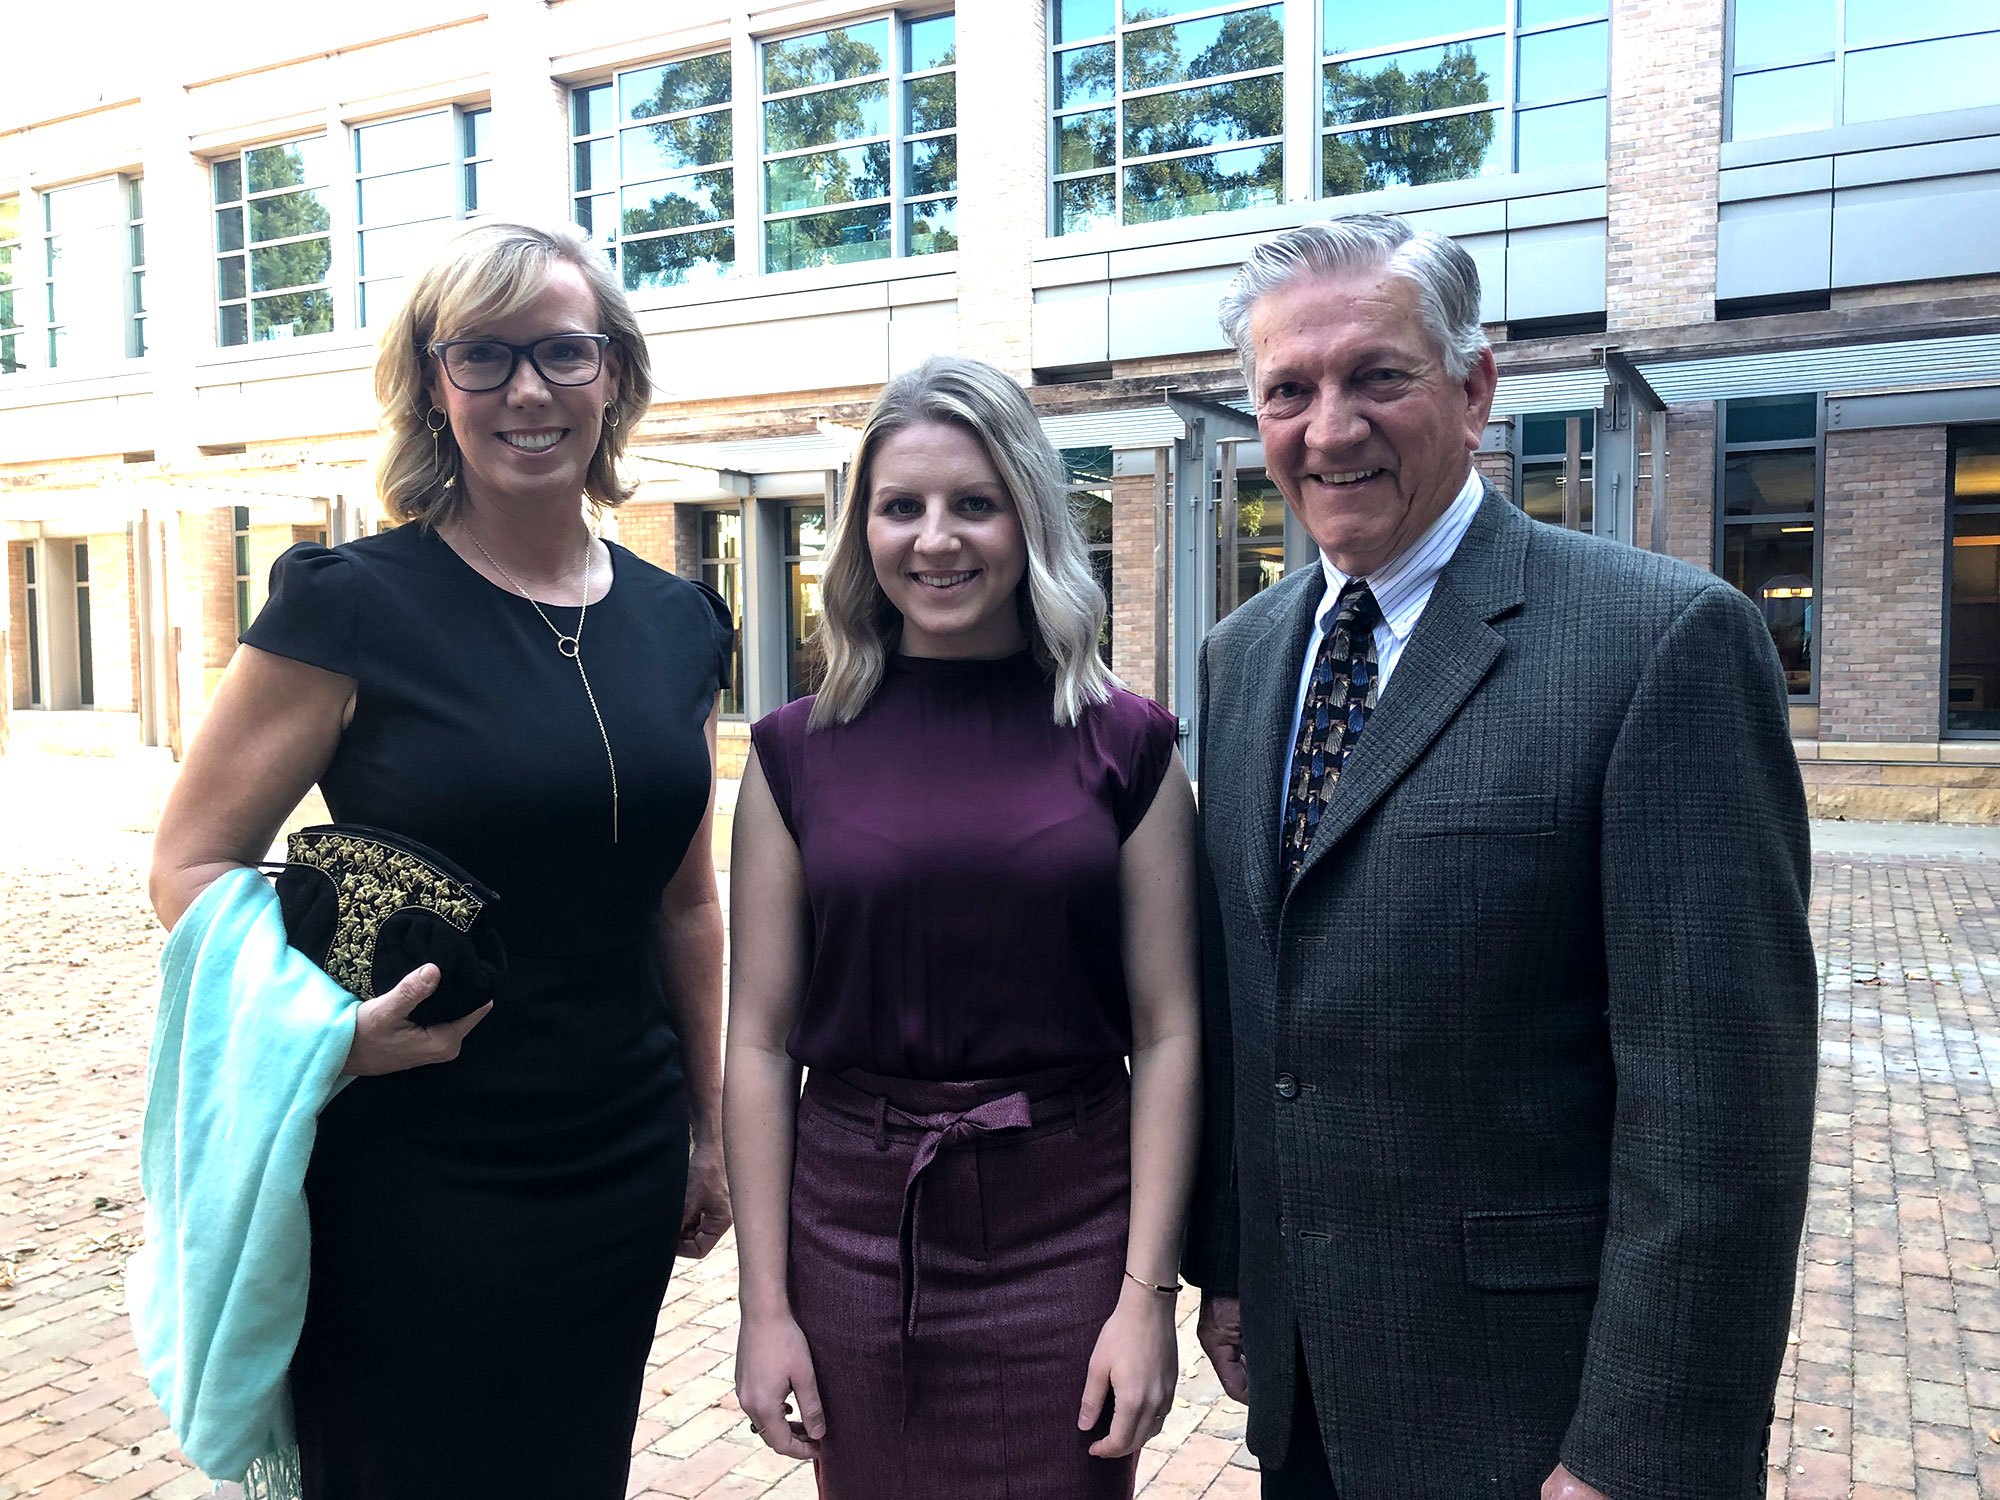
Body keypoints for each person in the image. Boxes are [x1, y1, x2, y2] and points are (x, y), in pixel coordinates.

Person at [1183, 214, 1818, 1500]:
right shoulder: (1243, 656)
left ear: (1475, 391)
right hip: (1309, 1396)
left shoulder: (1659, 643)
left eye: (1377, 377)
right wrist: (1240, 1261)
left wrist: (1636, 1452)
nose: (1329, 428)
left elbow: (1718, 1112)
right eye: (1287, 393)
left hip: (1535, 1417)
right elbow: (1261, 1000)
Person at [147, 221, 733, 1499]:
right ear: (430, 384)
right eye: (484, 356)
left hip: (616, 1159)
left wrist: (709, 1128)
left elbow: (685, 905)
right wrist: (325, 1037)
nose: (528, 390)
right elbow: (188, 867)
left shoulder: (678, 621)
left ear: (614, 375)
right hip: (408, 1167)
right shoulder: (346, 603)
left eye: (564, 354)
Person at [724, 355, 1201, 1498]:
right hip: (852, 1227)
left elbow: (1172, 1030)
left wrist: (1147, 1298)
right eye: (902, 507)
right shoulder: (793, 752)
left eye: (973, 504)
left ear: (1026, 516)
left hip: (1071, 1223)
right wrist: (764, 1306)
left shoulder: (1125, 743)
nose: (935, 539)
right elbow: (754, 1040)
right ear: (862, 532)